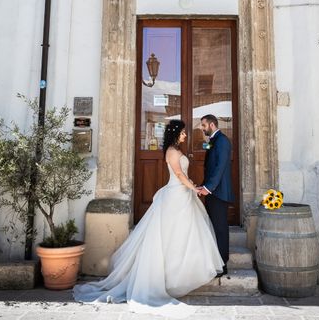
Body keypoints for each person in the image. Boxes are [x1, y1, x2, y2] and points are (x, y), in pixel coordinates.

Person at [73, 120, 223, 318]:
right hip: (175, 197)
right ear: (176, 133)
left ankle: (179, 273)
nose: (186, 135)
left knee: (183, 235)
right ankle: (168, 278)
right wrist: (194, 188)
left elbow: (182, 173)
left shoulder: (176, 150)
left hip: (183, 196)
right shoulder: (171, 151)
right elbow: (178, 174)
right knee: (171, 236)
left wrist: (191, 186)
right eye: (184, 132)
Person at [197, 114, 234, 277]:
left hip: (219, 193)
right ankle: (215, 261)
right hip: (212, 192)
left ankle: (223, 264)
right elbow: (210, 168)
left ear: (212, 125)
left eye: (203, 125)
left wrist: (209, 188)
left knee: (220, 229)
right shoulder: (213, 141)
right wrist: (203, 186)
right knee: (213, 227)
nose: (201, 128)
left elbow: (220, 168)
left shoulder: (223, 141)